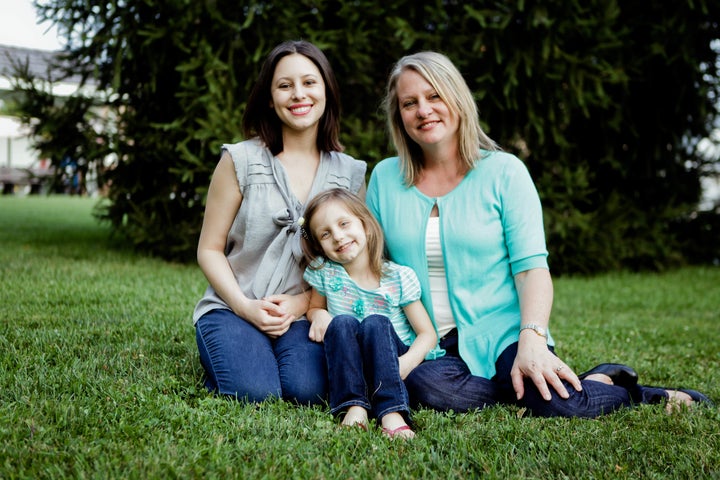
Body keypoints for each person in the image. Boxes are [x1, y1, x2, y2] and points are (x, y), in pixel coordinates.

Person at [366, 51, 713, 417]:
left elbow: (531, 269)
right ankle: (568, 383)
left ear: (457, 98)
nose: (424, 110)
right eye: (410, 103)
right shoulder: (386, 179)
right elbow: (371, 267)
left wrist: (531, 339)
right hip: (428, 342)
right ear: (398, 116)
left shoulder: (504, 172)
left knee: (560, 406)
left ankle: (637, 394)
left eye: (434, 95)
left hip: (501, 333)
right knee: (427, 387)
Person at [193, 40, 366, 405]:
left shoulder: (349, 173)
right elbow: (209, 249)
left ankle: (264, 354)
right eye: (285, 85)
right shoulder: (239, 160)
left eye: (309, 83)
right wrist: (245, 307)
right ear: (270, 99)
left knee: (309, 390)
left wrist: (302, 305)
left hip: (303, 312)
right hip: (234, 306)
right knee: (256, 392)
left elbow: (354, 262)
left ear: (327, 92)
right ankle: (230, 349)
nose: (298, 94)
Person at [300, 188, 439, 439]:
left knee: (375, 323)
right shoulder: (326, 272)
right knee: (342, 322)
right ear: (319, 245)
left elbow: (427, 334)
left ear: (365, 226)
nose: (338, 237)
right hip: (351, 360)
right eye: (326, 234)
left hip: (392, 360)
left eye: (344, 224)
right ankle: (354, 407)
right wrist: (317, 314)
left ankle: (391, 411)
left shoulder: (397, 277)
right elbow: (314, 307)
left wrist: (406, 362)